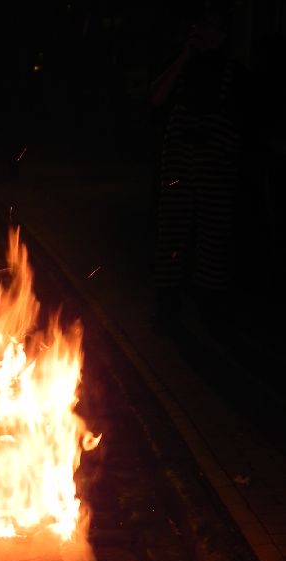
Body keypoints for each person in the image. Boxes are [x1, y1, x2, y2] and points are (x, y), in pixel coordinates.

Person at [149, 7, 248, 340]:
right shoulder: (182, 65)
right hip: (179, 158)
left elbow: (241, 122)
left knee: (213, 236)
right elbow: (156, 98)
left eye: (210, 25)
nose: (202, 30)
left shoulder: (234, 72)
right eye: (200, 24)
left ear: (222, 34)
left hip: (214, 163)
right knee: (171, 233)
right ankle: (168, 307)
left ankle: (209, 309)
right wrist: (183, 57)